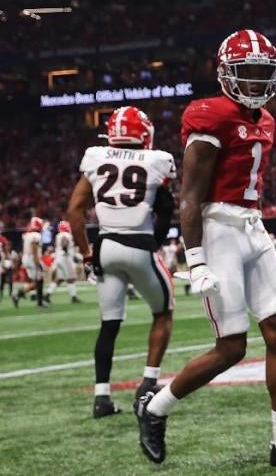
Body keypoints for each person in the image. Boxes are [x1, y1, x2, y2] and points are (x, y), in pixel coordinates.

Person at [135, 30, 276, 468]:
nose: (258, 83)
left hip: (253, 225)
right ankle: (155, 406)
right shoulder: (210, 115)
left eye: (265, 74)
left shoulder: (266, 120)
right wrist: (196, 258)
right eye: (249, 73)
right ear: (225, 74)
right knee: (233, 347)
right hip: (218, 227)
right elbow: (190, 197)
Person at [67, 106, 176, 418]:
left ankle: (102, 396)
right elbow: (166, 209)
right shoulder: (158, 160)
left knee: (109, 324)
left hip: (105, 246)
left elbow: (75, 210)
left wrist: (87, 253)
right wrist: (154, 242)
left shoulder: (96, 156)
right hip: (138, 243)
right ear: (144, 134)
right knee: (163, 312)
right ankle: (149, 383)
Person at [14, 217, 48, 308]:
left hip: (27, 258)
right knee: (39, 280)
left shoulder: (27, 234)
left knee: (37, 281)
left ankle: (18, 294)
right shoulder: (35, 235)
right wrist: (38, 263)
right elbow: (34, 248)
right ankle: (39, 303)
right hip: (32, 258)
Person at [48, 221, 81, 303]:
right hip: (64, 258)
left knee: (60, 279)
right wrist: (66, 251)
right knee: (71, 278)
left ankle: (47, 294)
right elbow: (64, 242)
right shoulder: (66, 235)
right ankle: (73, 297)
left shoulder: (58, 235)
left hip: (59, 258)